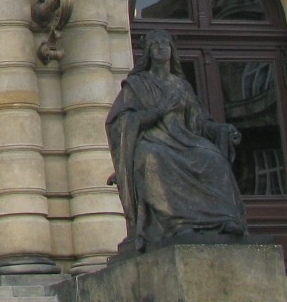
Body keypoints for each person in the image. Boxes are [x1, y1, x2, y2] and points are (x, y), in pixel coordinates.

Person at [105, 28, 248, 255]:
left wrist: (221, 129)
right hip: (153, 141)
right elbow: (121, 122)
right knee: (153, 157)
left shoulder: (181, 86)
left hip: (184, 141)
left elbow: (199, 122)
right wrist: (158, 111)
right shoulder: (137, 85)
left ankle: (223, 219)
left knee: (213, 158)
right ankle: (176, 222)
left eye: (165, 43)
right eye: (155, 44)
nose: (161, 47)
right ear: (148, 52)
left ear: (172, 50)